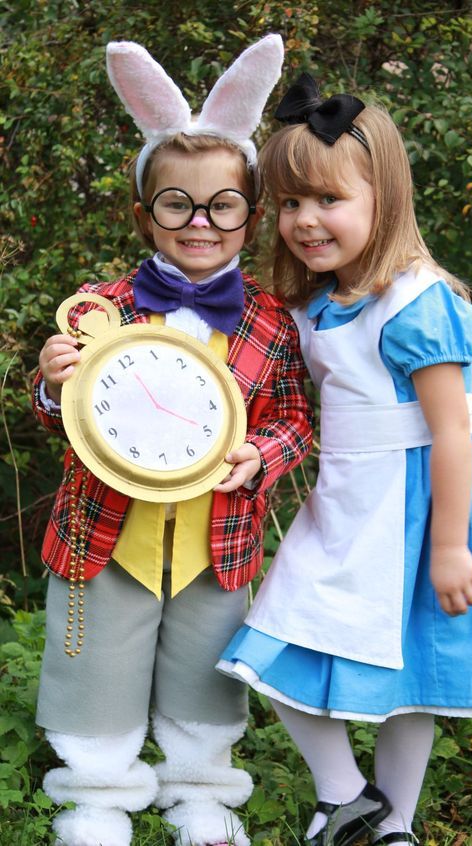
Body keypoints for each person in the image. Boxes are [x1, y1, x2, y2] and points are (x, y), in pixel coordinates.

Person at [217, 73, 472, 846]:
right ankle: (346, 796)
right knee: (273, 636)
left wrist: (447, 547)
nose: (305, 221)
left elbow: (449, 432)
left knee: (414, 679)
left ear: (384, 198)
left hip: (425, 504)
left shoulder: (416, 299)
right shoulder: (318, 303)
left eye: (327, 200)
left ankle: (392, 825)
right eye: (291, 203)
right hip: (348, 499)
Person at [32, 38, 313, 846]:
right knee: (98, 663)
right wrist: (55, 384)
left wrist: (265, 455)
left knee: (204, 668)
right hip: (107, 533)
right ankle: (96, 796)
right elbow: (62, 415)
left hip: (216, 535)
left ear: (250, 217)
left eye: (221, 206)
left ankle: (201, 794)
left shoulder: (271, 321)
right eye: (176, 205)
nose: (199, 223)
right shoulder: (99, 310)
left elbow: (294, 417)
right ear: (142, 213)